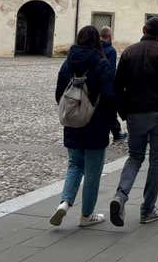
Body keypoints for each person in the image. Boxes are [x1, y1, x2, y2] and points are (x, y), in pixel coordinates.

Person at [109, 17, 158, 227]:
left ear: (144, 30)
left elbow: (117, 86)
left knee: (134, 157)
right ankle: (147, 209)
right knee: (156, 160)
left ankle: (120, 196)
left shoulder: (129, 52)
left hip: (135, 113)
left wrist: (124, 112)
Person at [51, 26, 116, 227]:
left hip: (72, 122)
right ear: (97, 41)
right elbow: (109, 96)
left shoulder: (68, 62)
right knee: (93, 172)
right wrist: (112, 120)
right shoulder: (102, 63)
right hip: (95, 124)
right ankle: (86, 215)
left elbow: (59, 94)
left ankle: (64, 203)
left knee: (74, 165)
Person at [100, 26, 127, 142]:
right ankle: (116, 133)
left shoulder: (95, 47)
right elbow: (111, 70)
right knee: (110, 110)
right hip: (107, 86)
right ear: (109, 36)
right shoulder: (111, 50)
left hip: (94, 85)